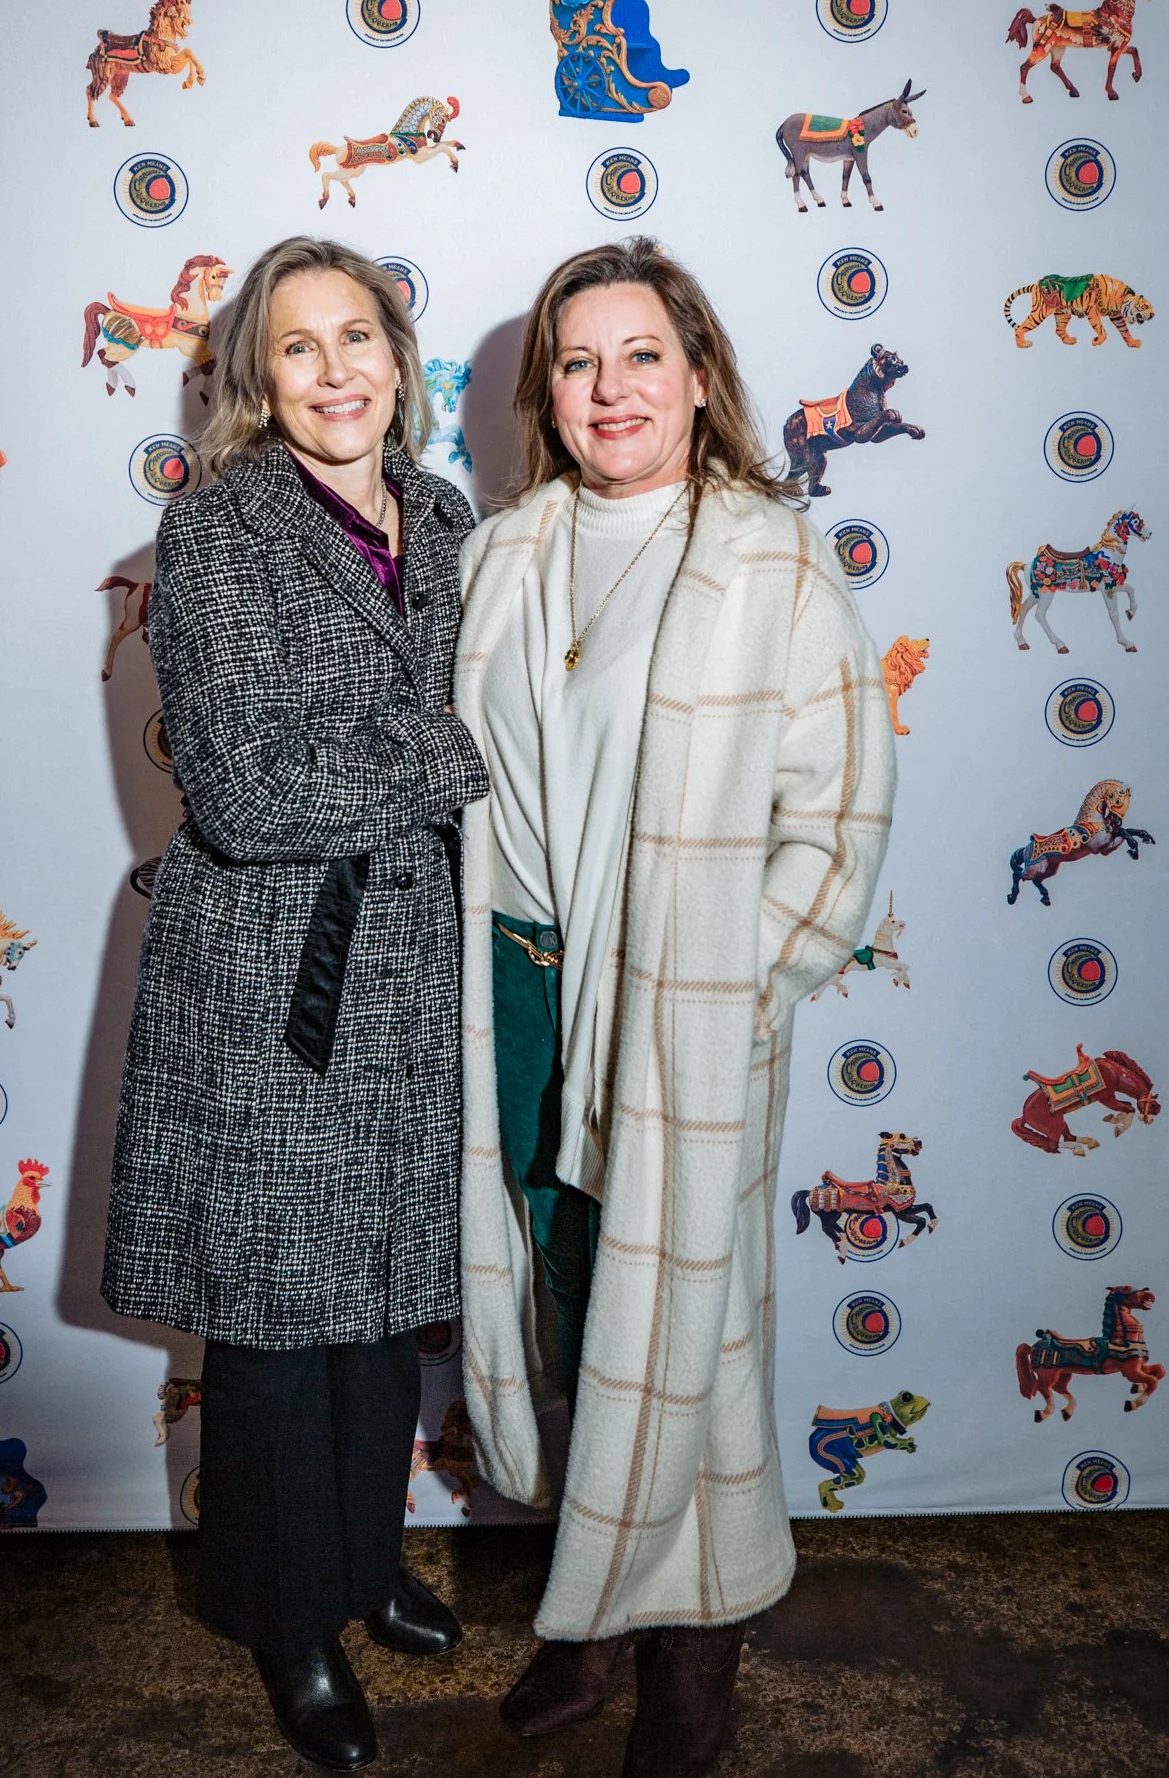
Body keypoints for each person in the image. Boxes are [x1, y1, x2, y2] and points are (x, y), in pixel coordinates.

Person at [453, 237, 896, 1778]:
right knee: (576, 1315)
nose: (610, 388)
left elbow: (836, 831)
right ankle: (595, 1625)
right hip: (515, 990)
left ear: (697, 377)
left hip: (675, 1014)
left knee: (686, 1334)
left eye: (642, 354)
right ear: (545, 394)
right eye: (578, 363)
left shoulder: (767, 559)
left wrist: (729, 994)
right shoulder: (507, 550)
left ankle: (692, 1668)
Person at [101, 236, 488, 1772]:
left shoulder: (451, 519)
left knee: (387, 1296)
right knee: (275, 1319)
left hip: (418, 967)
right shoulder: (221, 528)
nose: (337, 373)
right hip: (273, 977)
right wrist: (461, 756)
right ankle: (285, 1620)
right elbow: (251, 791)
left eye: (360, 339)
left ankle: (361, 1558)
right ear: (257, 379)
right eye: (298, 348)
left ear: (401, 357)